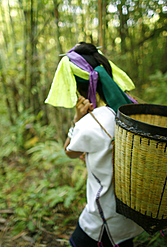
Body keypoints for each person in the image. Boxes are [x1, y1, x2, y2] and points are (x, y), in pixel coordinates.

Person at [45, 42, 143, 247]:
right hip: (131, 217)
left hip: (101, 221)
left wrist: (76, 121)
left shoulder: (91, 123)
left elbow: (70, 152)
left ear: (80, 87)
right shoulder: (134, 111)